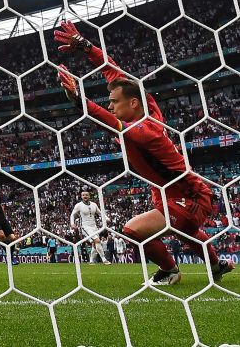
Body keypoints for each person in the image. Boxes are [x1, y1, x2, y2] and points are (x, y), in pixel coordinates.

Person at [54, 20, 234, 284]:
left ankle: (170, 271)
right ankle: (217, 266)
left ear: (132, 103)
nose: (112, 105)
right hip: (166, 190)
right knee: (186, 231)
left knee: (133, 230)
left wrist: (80, 100)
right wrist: (85, 46)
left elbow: (108, 120)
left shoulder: (145, 129)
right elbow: (112, 71)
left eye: (115, 102)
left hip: (189, 194)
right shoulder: (144, 103)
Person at [70, 191, 111, 265]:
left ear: (89, 196)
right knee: (97, 241)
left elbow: (100, 213)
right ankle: (104, 260)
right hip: (85, 227)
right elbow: (72, 215)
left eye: (86, 195)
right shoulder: (78, 205)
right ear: (81, 197)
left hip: (94, 226)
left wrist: (106, 218)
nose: (84, 196)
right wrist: (72, 224)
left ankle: (91, 261)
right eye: (83, 195)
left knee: (94, 244)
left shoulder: (94, 205)